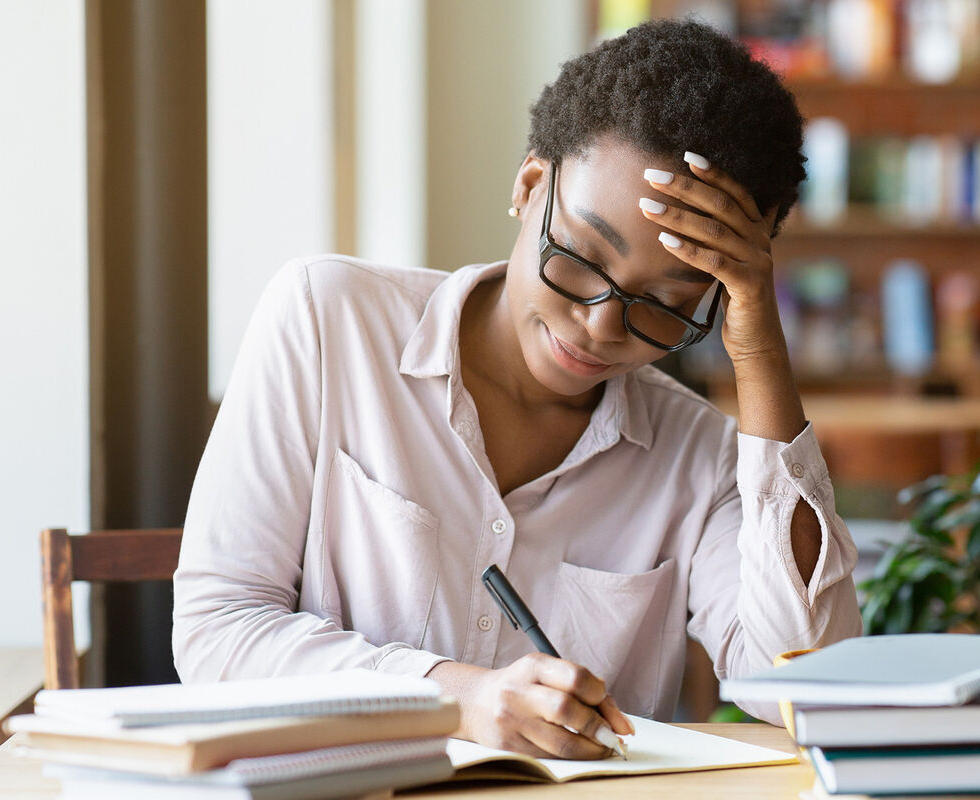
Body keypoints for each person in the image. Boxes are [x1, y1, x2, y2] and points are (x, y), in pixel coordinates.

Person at [173, 18, 861, 761]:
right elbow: (218, 632)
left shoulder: (701, 455)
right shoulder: (328, 319)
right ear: (531, 185)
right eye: (581, 258)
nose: (599, 326)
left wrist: (758, 348)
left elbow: (810, 688)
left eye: (664, 304)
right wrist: (457, 697)